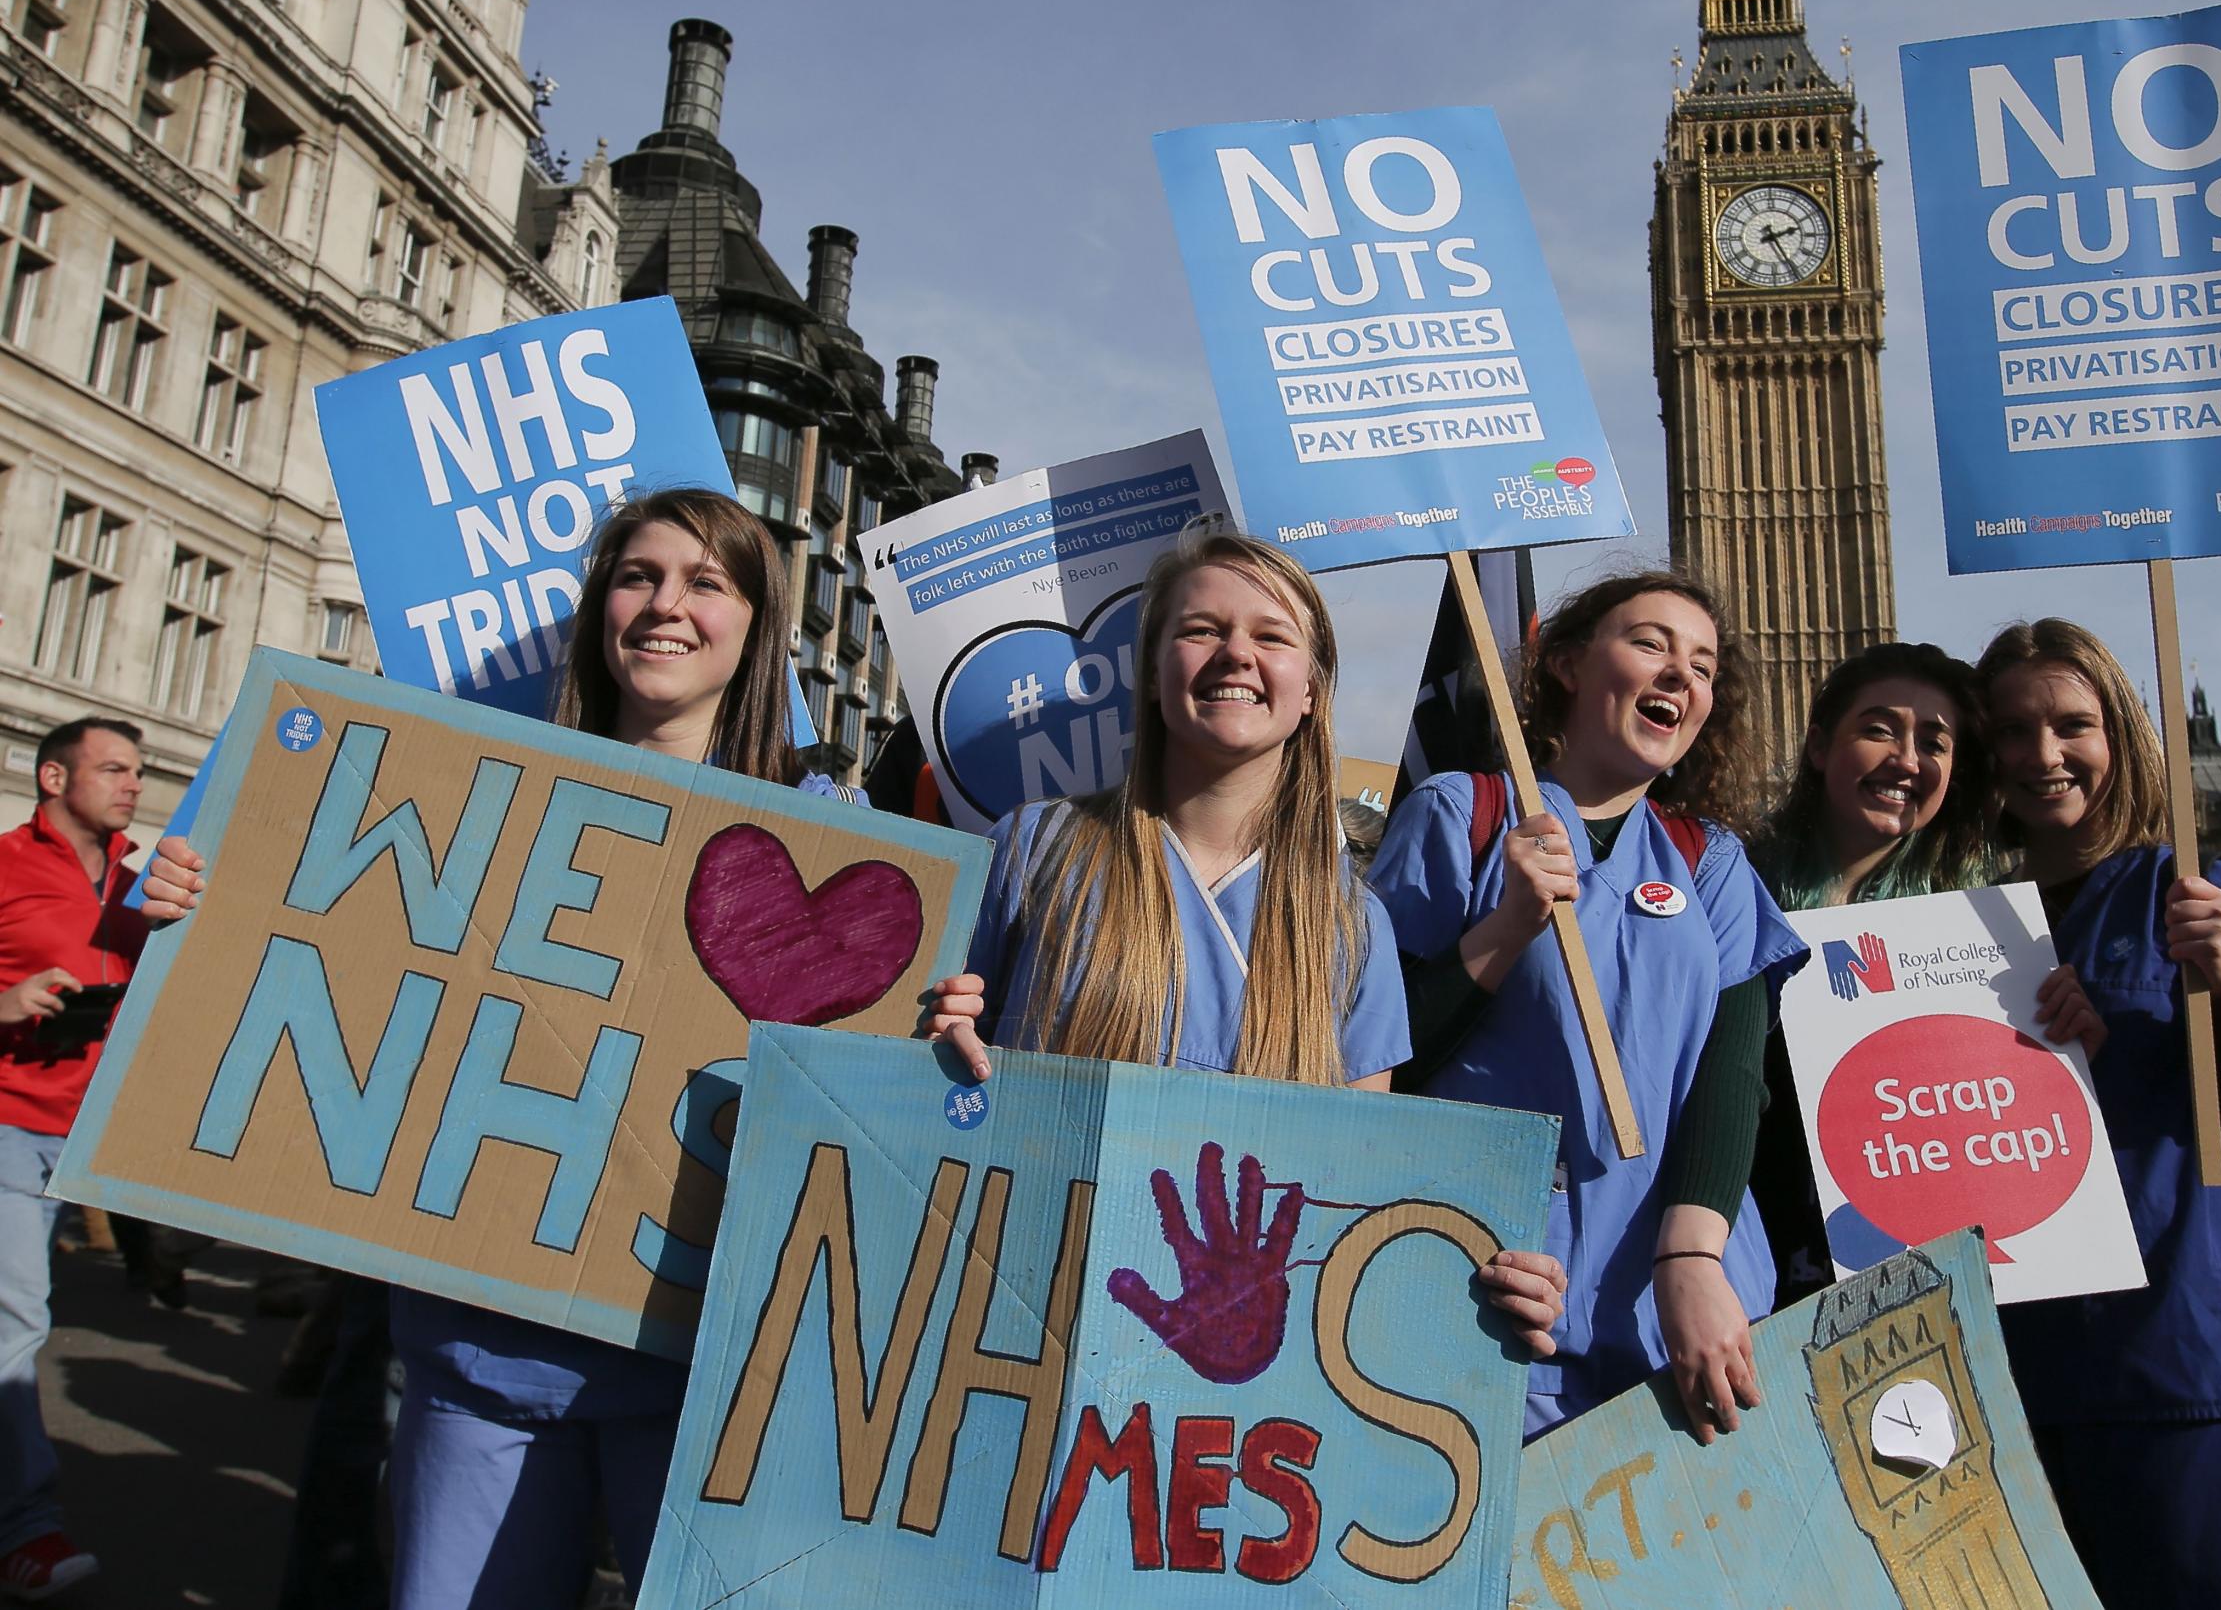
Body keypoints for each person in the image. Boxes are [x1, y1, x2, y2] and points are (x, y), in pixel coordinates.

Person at [146, 488, 850, 1610]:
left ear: (759, 629)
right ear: (597, 610)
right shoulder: (480, 785)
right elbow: (341, 955)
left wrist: (943, 1015)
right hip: (480, 1359)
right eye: (637, 577)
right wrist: (202, 900)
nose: (666, 606)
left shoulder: (828, 835)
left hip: (705, 1378)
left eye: (706, 583)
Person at [924, 528, 1564, 1356]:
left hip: (1226, 1373)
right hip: (1018, 1303)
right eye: (1201, 630)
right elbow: (928, 1086)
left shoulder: (1352, 926)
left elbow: (1354, 1185)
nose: (1235, 654)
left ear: (1310, 692)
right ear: (1154, 675)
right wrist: (939, 1042)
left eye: (1271, 636)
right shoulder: (1035, 847)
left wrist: (1487, 1267)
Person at [1364, 568, 1809, 1444]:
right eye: (1651, 643)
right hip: (1499, 1301)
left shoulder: (1709, 861)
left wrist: (1690, 1259)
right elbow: (1376, 1064)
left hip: (1688, 1314)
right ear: (1567, 664)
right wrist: (1505, 929)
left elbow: (1732, 1076)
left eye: (1705, 665)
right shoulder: (1462, 814)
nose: (1682, 673)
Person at [1977, 617, 2221, 1610]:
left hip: (2184, 1372)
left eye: (2071, 724)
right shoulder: (1956, 923)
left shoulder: (2207, 893)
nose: (2041, 754)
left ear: (2123, 735)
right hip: (2005, 1392)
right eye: (2011, 730)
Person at [1743, 643, 2102, 1304]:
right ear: (1819, 746)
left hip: (1928, 1287)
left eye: (1933, 741)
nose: (1907, 758)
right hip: (1752, 1273)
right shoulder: (1731, 886)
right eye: (1880, 728)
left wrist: (2067, 1040)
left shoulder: (1988, 924)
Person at [0, 717, 147, 1599]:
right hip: (11, 1118)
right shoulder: (6, 867)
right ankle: (28, 1532)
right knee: (18, 1319)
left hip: (100, 1135)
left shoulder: (143, 883)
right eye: (114, 768)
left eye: (136, 771)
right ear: (55, 776)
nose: (132, 783)